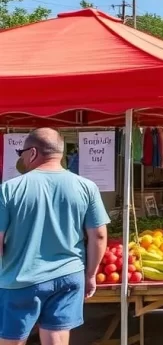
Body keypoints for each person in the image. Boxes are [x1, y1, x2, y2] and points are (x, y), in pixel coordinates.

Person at [0, 128, 109, 345]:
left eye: (21, 152)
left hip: (21, 277)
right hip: (68, 275)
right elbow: (98, 235)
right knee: (56, 337)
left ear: (32, 153)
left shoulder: (9, 190)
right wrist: (90, 275)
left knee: (12, 339)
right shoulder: (86, 187)